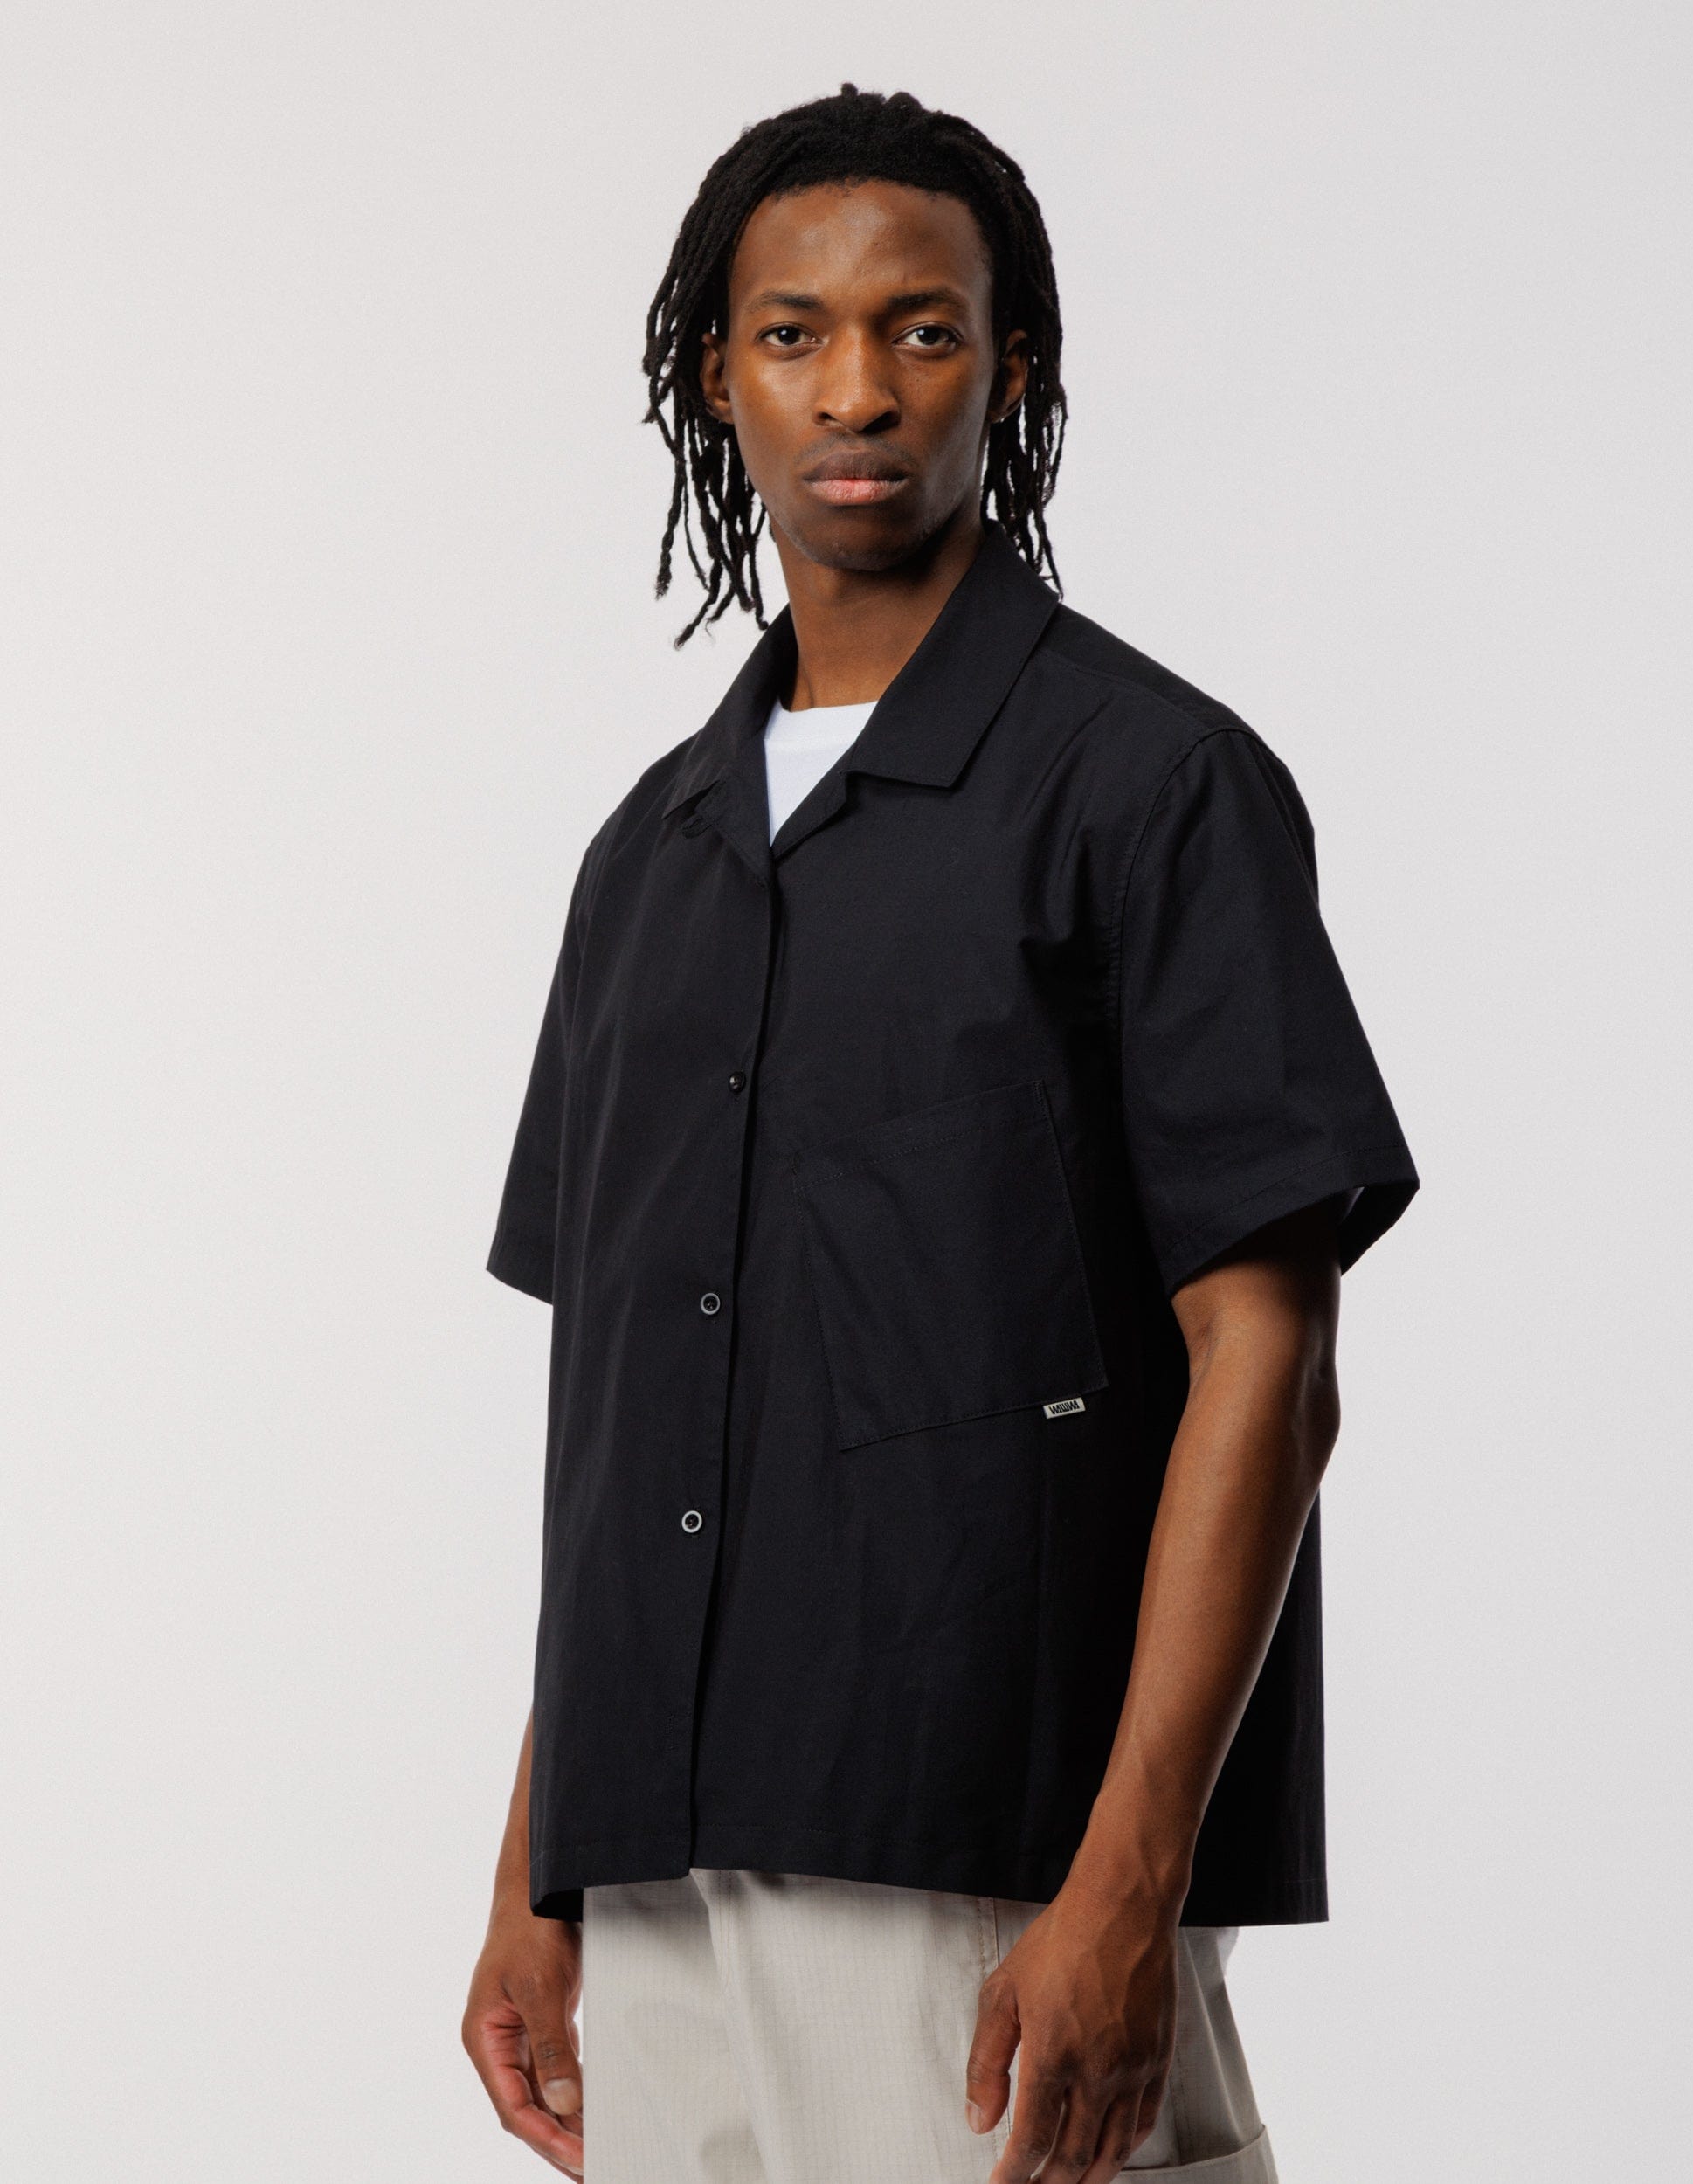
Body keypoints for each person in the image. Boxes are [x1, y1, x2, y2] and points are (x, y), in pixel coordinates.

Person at [460, 83, 1417, 2184]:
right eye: (790, 334)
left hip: (982, 1857)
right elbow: (631, 1404)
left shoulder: (1148, 786)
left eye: (921, 328)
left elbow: (1267, 1355)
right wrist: (538, 1860)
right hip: (658, 1872)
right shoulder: (647, 858)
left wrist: (1129, 1877)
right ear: (713, 381)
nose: (856, 390)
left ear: (1012, 367)